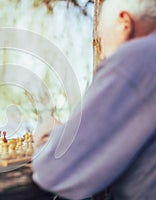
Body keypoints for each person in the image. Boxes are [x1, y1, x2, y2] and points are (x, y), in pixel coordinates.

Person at [32, 0, 156, 199]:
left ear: (125, 24)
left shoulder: (136, 57)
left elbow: (53, 171)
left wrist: (48, 138)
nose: (103, 53)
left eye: (101, 38)